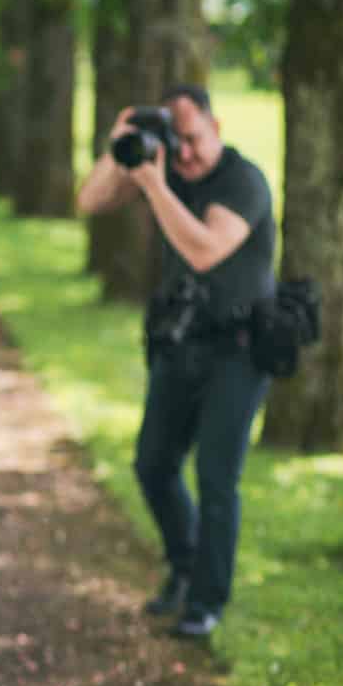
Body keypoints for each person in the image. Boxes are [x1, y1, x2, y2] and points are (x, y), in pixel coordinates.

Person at [77, 84, 276, 639]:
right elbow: (89, 201)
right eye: (175, 140)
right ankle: (184, 568)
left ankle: (206, 603)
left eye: (193, 139)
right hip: (180, 343)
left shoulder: (242, 180)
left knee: (217, 478)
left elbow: (204, 249)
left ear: (217, 126)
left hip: (239, 350)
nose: (184, 153)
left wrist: (154, 182)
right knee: (153, 464)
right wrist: (120, 149)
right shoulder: (162, 168)